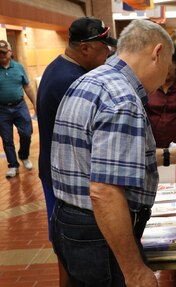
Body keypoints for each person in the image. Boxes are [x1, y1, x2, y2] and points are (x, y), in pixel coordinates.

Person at [50, 19, 176, 286]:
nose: (163, 78)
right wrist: (134, 271)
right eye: (166, 68)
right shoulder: (123, 99)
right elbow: (104, 190)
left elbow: (96, 157)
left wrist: (168, 156)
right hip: (99, 231)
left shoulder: (90, 80)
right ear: (157, 53)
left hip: (69, 220)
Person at [36, 16, 117, 286]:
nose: (108, 54)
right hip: (63, 178)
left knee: (65, 244)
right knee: (70, 243)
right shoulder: (70, 80)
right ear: (85, 48)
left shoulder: (61, 69)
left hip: (57, 170)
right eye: (104, 48)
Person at [0, 39, 36, 178]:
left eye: (4, 52)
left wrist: (35, 103)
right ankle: (13, 165)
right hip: (2, 110)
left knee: (26, 133)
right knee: (7, 139)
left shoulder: (19, 67)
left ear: (10, 52)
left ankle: (24, 156)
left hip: (20, 106)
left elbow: (27, 86)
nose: (2, 55)